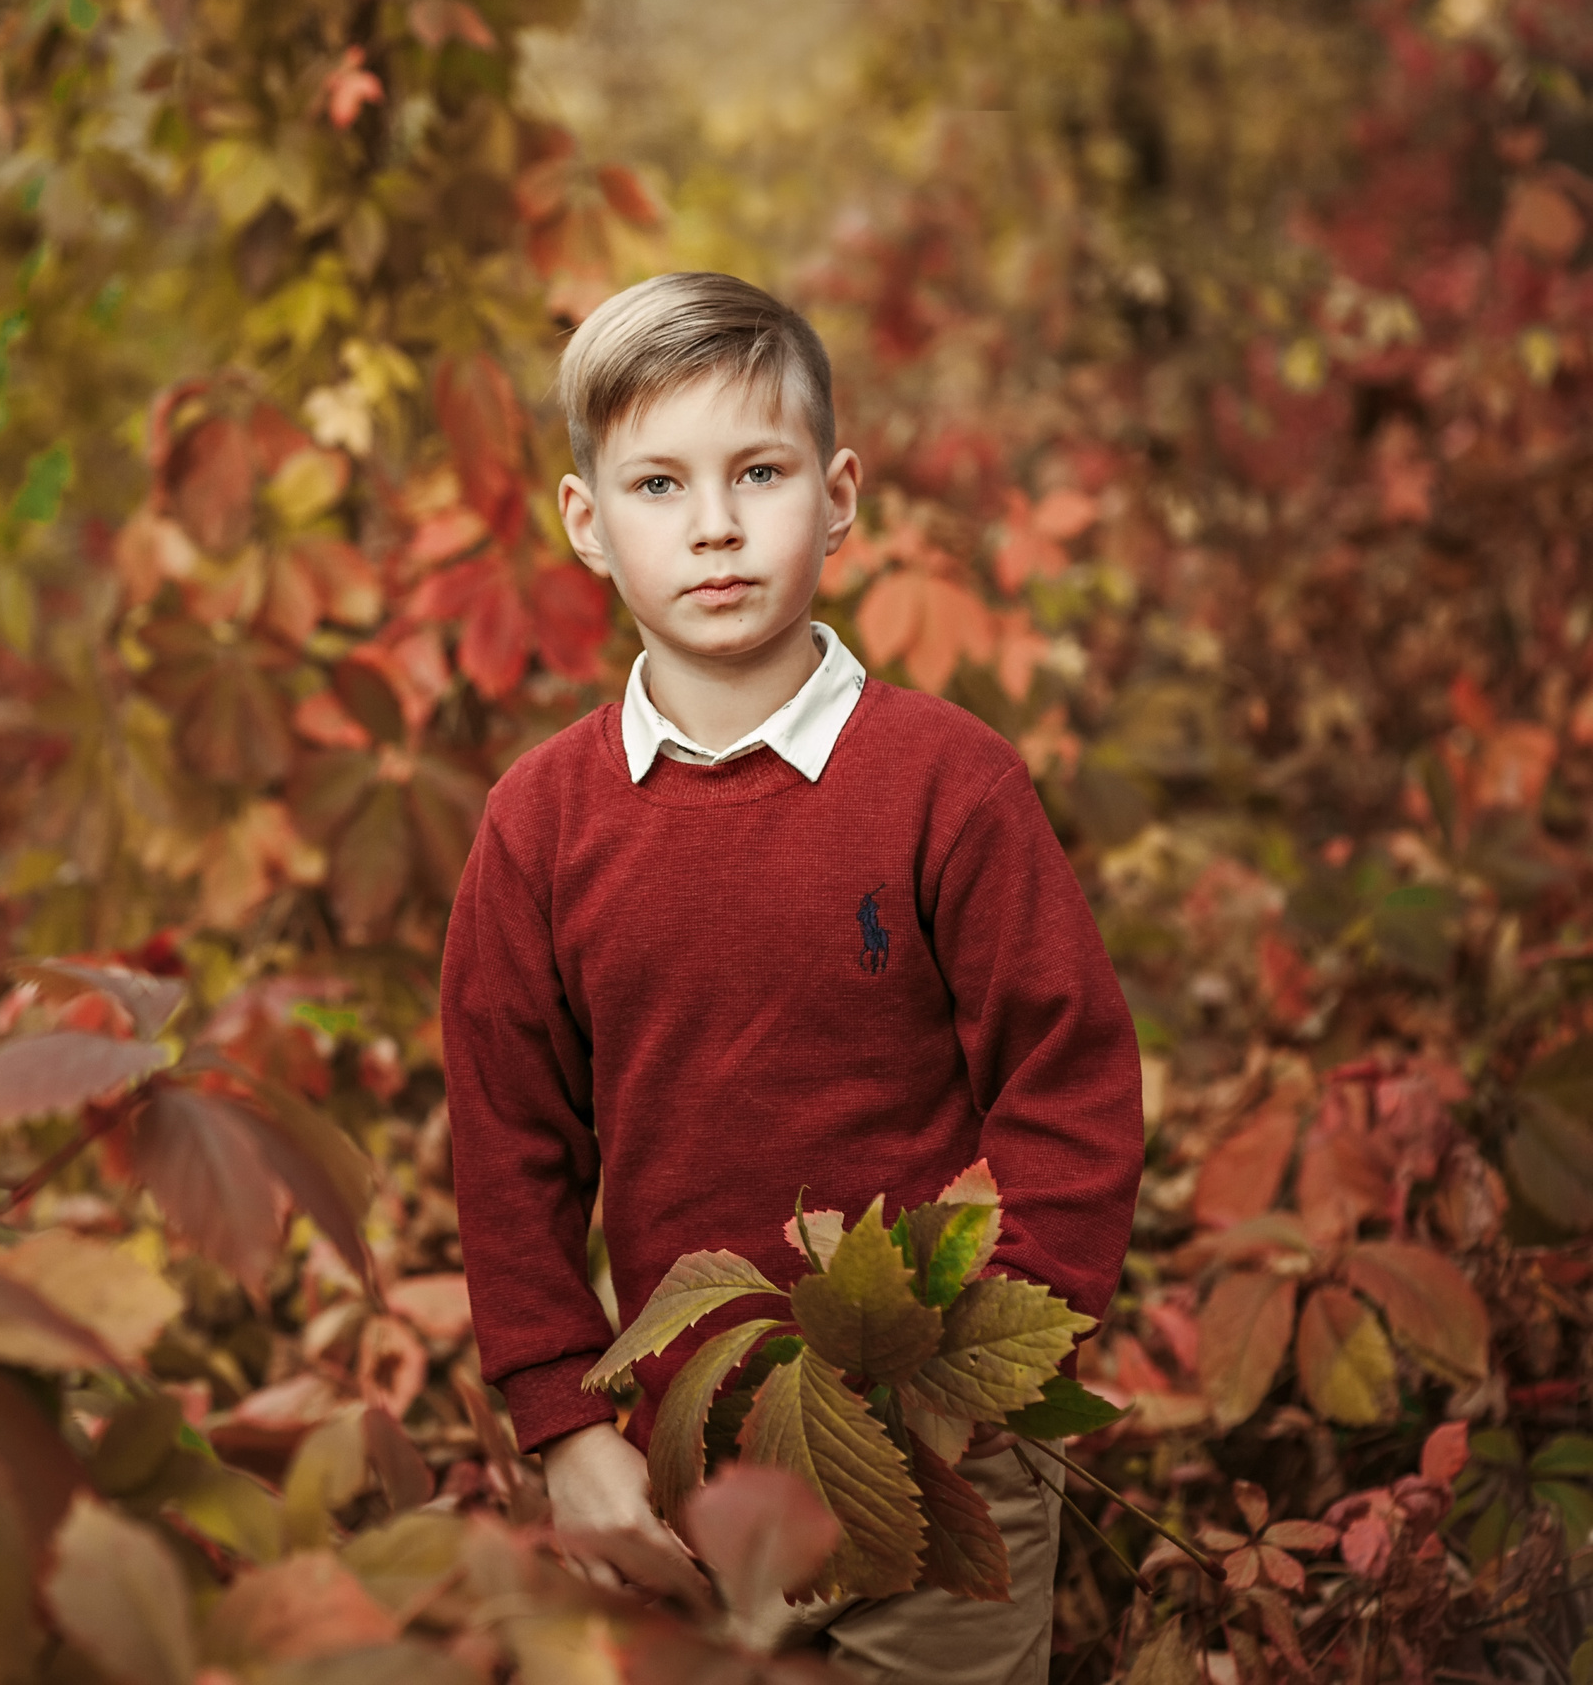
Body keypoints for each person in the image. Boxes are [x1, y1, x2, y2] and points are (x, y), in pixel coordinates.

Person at [440, 272, 1144, 1684]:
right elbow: (509, 1148)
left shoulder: (946, 782)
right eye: (657, 483)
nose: (712, 525)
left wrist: (988, 1366)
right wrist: (568, 1429)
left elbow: (1067, 1084)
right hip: (678, 1463)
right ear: (587, 523)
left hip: (948, 1458)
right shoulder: (541, 824)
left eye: (757, 473)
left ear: (835, 498)